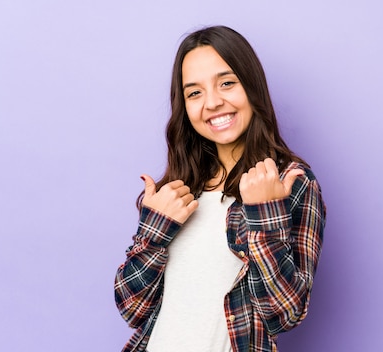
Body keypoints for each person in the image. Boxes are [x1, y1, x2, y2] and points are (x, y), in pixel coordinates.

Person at [114, 25, 326, 352]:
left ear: (252, 87)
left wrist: (264, 214)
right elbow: (132, 308)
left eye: (227, 83)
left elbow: (283, 313)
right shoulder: (179, 188)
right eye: (194, 93)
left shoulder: (290, 182)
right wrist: (154, 230)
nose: (212, 103)